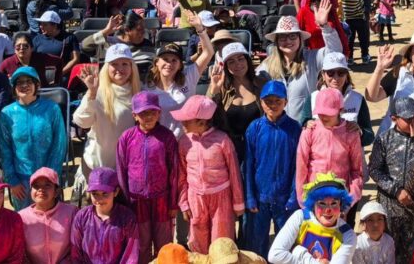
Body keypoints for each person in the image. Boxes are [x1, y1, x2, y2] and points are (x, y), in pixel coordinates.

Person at [367, 97, 414, 263]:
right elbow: (374, 170)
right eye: (408, 119)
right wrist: (396, 190)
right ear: (394, 119)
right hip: (390, 206)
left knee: (413, 251)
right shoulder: (384, 139)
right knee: (389, 249)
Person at [175, 94, 244, 253]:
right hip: (196, 199)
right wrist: (184, 203)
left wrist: (238, 202)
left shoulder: (222, 140)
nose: (182, 122)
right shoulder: (184, 142)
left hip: (221, 198)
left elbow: (234, 172)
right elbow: (181, 175)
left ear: (202, 121)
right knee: (198, 241)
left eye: (187, 120)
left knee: (222, 240)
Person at [117, 92, 181, 263]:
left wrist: (173, 202)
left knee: (164, 245)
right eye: (143, 113)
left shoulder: (167, 137)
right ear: (134, 116)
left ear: (159, 113)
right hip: (136, 201)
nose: (149, 116)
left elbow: (174, 172)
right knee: (141, 244)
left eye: (153, 112)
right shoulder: (126, 138)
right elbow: (121, 171)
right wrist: (125, 202)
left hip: (162, 199)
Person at [242, 80, 302, 256]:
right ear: (261, 102)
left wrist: (293, 197)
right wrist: (250, 197)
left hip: (284, 198)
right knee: (257, 243)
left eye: (278, 100)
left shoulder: (294, 128)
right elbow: (249, 165)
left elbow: (297, 166)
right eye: (268, 101)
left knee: (284, 243)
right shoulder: (255, 128)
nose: (273, 105)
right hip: (261, 198)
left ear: (286, 102)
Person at [0, 66, 68, 211]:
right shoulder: (6, 114)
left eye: (29, 81)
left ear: (37, 85)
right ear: (14, 87)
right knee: (24, 223)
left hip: (47, 180)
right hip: (20, 180)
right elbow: (4, 149)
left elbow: (59, 145)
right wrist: (12, 180)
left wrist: (51, 178)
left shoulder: (52, 109)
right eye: (19, 82)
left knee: (50, 219)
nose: (24, 85)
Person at [258, 9, 343, 123]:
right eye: (282, 37)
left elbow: (335, 53)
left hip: (305, 127)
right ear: (277, 42)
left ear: (300, 39)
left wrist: (325, 26)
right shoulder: (267, 65)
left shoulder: (312, 58)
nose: (288, 40)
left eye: (292, 36)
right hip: (278, 129)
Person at [73, 44, 141, 179]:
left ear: (132, 67)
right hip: (97, 165)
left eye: (125, 64)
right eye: (114, 64)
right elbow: (82, 122)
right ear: (107, 67)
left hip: (126, 167)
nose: (120, 69)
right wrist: (91, 93)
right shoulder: (97, 91)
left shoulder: (139, 93)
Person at [268, 173, 357, 264]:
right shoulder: (301, 217)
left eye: (334, 203)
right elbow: (275, 255)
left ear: (340, 205)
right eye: (322, 203)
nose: (328, 210)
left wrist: (299, 252)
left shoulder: (347, 234)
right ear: (313, 205)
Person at [296, 87, 365, 204]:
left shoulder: (351, 133)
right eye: (320, 112)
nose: (323, 116)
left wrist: (350, 200)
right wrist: (303, 200)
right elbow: (301, 167)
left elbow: (357, 171)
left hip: (340, 198)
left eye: (328, 113)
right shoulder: (310, 131)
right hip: (314, 195)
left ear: (340, 109)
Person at [71, 166, 139, 263]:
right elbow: (76, 253)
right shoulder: (82, 217)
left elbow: (131, 255)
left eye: (105, 193)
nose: (100, 199)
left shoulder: (127, 218)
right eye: (95, 194)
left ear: (116, 192)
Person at [19, 167, 78, 264]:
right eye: (36, 186)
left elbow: (77, 247)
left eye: (47, 185)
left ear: (56, 191)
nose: (41, 189)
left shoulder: (71, 213)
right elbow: (19, 252)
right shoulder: (21, 217)